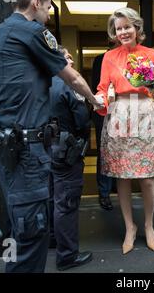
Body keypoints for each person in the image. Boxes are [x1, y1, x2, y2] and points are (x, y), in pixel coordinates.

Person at [0, 0, 102, 272]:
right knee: (32, 232)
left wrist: (6, 123)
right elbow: (73, 79)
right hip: (27, 151)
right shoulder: (32, 31)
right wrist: (95, 100)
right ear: (36, 2)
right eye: (49, 9)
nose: (49, 16)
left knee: (21, 229)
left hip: (7, 149)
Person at [95, 7, 154, 254]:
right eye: (119, 29)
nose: (123, 32)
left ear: (137, 28)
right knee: (122, 176)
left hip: (145, 113)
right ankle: (130, 227)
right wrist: (97, 99)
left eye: (127, 26)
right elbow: (102, 88)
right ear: (114, 33)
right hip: (119, 114)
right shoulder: (109, 57)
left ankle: (149, 225)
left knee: (147, 177)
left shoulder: (151, 54)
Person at [48, 47, 93, 271]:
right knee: (66, 203)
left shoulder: (39, 82)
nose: (71, 61)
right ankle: (67, 256)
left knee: (50, 198)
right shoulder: (68, 85)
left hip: (43, 150)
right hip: (67, 150)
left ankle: (52, 240)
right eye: (67, 58)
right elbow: (82, 119)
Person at [91, 48, 115, 211]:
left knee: (122, 151)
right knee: (105, 151)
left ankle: (114, 185)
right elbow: (96, 86)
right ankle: (104, 191)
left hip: (126, 112)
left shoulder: (132, 59)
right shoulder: (101, 59)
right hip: (105, 111)